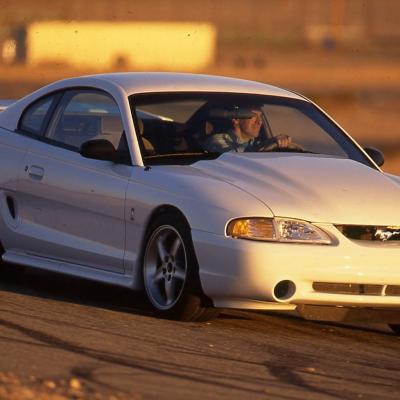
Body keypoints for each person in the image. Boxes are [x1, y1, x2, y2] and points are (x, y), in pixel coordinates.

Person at [203, 106, 291, 153]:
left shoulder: (258, 143)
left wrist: (283, 142)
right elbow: (234, 160)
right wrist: (266, 145)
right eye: (253, 116)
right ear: (236, 119)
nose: (259, 122)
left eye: (260, 117)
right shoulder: (217, 141)